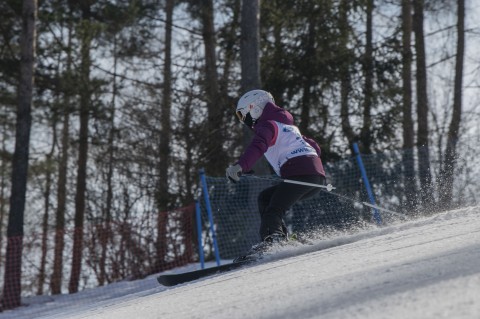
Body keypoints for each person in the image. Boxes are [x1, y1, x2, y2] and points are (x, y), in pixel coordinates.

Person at [226, 89, 326, 247]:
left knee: (274, 209)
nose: (243, 120)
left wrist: (241, 166)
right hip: (316, 177)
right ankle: (281, 239)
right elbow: (315, 147)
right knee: (266, 198)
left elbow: (258, 146)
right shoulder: (289, 127)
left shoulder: (268, 126)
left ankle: (273, 242)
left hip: (299, 174)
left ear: (255, 108)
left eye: (242, 115)